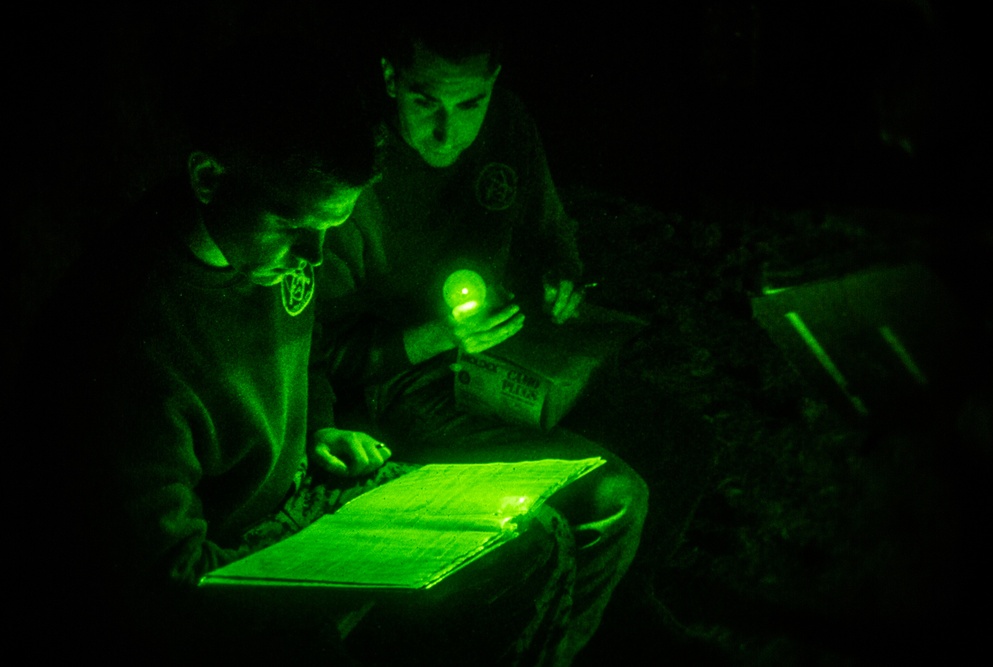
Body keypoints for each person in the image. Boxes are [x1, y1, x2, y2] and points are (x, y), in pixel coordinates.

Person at [15, 40, 577, 664]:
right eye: (293, 226)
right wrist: (343, 574)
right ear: (208, 177)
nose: (312, 257)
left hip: (298, 499)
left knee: (532, 537)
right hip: (222, 558)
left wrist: (315, 428)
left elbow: (297, 358)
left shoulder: (274, 252)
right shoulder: (127, 343)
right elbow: (166, 587)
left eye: (332, 228)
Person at [317, 20, 650, 662]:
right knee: (615, 497)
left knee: (672, 436)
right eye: (425, 102)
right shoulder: (354, 165)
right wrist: (431, 338)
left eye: (470, 103)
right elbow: (317, 353)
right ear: (391, 79)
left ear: (494, 84)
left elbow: (550, 235)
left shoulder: (509, 126)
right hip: (405, 390)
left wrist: (560, 281)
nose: (449, 132)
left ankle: (621, 620)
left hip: (512, 361)